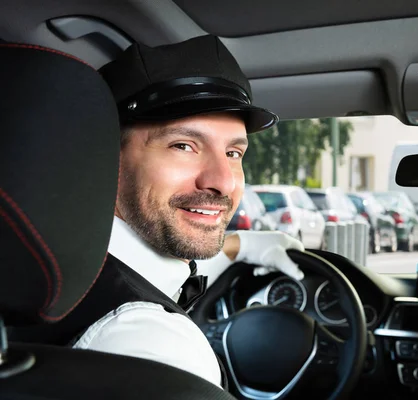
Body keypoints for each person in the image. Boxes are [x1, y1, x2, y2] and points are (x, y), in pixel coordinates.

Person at [8, 35, 305, 390]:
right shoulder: (158, 347)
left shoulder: (39, 266)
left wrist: (241, 244)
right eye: (183, 146)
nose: (223, 182)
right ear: (108, 159)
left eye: (233, 153)